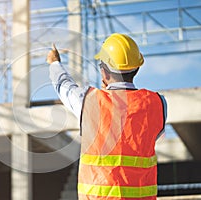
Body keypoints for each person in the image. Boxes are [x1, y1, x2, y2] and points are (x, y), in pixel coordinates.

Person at [47, 33, 167, 200]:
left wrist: (54, 63)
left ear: (104, 70)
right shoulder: (158, 104)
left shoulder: (89, 102)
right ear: (137, 68)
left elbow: (63, 85)